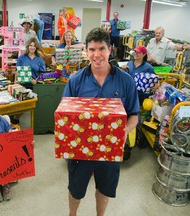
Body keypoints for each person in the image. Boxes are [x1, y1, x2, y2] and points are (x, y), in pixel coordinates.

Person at [62, 27, 139, 216]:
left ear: (110, 49)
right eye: (92, 49)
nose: (97, 55)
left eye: (101, 49)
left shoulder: (126, 81)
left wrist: (123, 132)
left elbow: (134, 115)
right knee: (75, 190)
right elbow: (64, 115)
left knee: (104, 191)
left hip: (110, 149)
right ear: (86, 51)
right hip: (80, 150)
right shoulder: (75, 80)